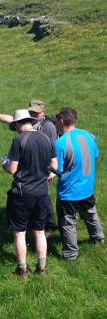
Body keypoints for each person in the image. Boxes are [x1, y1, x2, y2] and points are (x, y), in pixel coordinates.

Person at [0, 99, 58, 234]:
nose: (32, 114)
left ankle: (48, 225)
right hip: (31, 167)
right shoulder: (26, 123)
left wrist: (51, 172)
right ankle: (32, 226)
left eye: (35, 112)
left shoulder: (48, 127)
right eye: (30, 112)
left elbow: (52, 150)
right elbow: (9, 119)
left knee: (40, 200)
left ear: (42, 113)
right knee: (35, 198)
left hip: (39, 168)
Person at [3, 109, 57, 277]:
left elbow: (13, 169)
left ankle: (22, 270)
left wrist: (4, 164)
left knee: (20, 232)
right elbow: (54, 167)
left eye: (15, 126)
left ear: (20, 123)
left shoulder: (19, 140)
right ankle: (41, 268)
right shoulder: (46, 138)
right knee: (40, 231)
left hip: (21, 193)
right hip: (41, 192)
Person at [52, 107, 104, 260]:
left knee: (68, 223)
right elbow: (95, 156)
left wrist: (47, 166)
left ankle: (70, 253)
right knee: (90, 213)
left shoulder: (61, 143)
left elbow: (58, 169)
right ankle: (98, 237)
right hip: (87, 187)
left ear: (61, 121)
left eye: (56, 120)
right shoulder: (88, 136)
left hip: (68, 192)